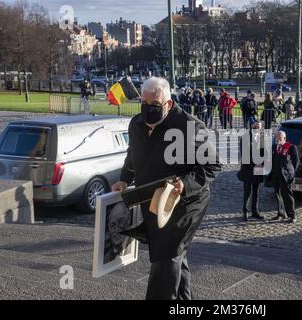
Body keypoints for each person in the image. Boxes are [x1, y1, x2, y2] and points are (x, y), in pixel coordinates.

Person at [111, 77, 222, 300]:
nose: (148, 110)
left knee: (166, 254)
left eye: (155, 105)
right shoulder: (136, 124)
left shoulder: (190, 127)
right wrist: (124, 179)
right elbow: (133, 155)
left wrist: (184, 184)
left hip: (187, 204)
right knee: (175, 256)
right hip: (153, 201)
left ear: (169, 104)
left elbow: (212, 166)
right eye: (144, 103)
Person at [267, 131, 300, 223]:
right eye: (276, 138)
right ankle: (281, 213)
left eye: (279, 138)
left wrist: (291, 173)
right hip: (276, 175)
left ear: (284, 138)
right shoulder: (274, 148)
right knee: (277, 194)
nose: (277, 139)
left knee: (287, 195)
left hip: (286, 176)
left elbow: (296, 162)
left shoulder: (291, 147)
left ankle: (292, 215)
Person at [238, 121, 265, 221]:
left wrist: (262, 163)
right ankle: (245, 212)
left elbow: (264, 153)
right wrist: (255, 164)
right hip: (248, 169)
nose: (257, 128)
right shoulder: (245, 137)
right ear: (251, 126)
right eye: (255, 126)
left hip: (258, 169)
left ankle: (255, 211)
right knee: (247, 192)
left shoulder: (262, 138)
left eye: (259, 127)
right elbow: (244, 155)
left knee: (256, 191)